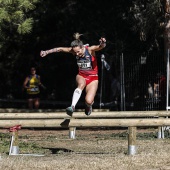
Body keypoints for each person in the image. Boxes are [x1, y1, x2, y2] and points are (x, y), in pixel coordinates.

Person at [40, 33, 106, 116]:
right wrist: (47, 52)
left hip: (93, 78)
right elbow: (60, 49)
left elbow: (100, 47)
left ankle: (88, 106)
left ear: (82, 47)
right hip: (81, 75)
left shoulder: (90, 50)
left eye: (78, 52)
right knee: (81, 84)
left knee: (89, 100)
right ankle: (72, 107)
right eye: (75, 53)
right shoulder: (73, 51)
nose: (77, 54)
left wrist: (103, 43)